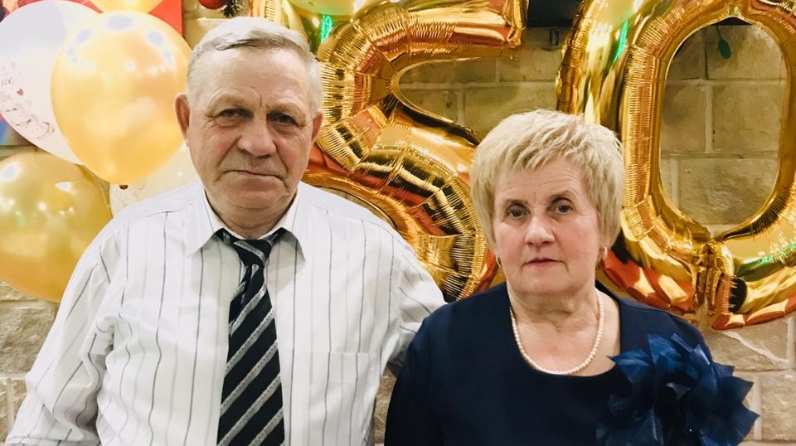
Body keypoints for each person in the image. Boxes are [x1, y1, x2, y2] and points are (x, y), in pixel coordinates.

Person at [7, 17, 443, 446]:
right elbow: (48, 429)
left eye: (284, 118)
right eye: (231, 113)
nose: (258, 143)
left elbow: (458, 389)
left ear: (312, 131)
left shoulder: (375, 255)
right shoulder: (123, 250)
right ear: (186, 120)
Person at [384, 110, 755, 445]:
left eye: (561, 207)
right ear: (493, 233)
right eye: (516, 212)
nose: (537, 233)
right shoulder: (444, 343)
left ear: (604, 226)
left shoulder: (672, 347)